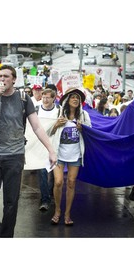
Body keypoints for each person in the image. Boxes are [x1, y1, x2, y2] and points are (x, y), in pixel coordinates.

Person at [0, 65, 57, 238]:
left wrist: (51, 150)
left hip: (15, 156)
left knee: (11, 201)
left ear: (14, 80)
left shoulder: (23, 98)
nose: (1, 79)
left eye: (5, 76)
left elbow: (37, 127)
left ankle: (6, 236)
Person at [49, 87, 91, 226]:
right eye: (72, 97)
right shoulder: (58, 113)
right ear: (67, 100)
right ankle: (57, 210)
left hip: (75, 154)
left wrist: (82, 129)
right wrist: (56, 125)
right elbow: (48, 132)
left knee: (71, 183)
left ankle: (67, 213)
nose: (75, 99)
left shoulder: (84, 115)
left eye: (77, 98)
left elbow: (90, 133)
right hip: (58, 153)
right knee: (59, 182)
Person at [36, 88, 61, 211]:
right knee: (43, 173)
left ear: (53, 99)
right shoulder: (36, 110)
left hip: (54, 146)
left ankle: (50, 194)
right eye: (43, 97)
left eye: (48, 97)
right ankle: (45, 199)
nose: (45, 100)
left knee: (53, 174)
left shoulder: (58, 111)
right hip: (40, 147)